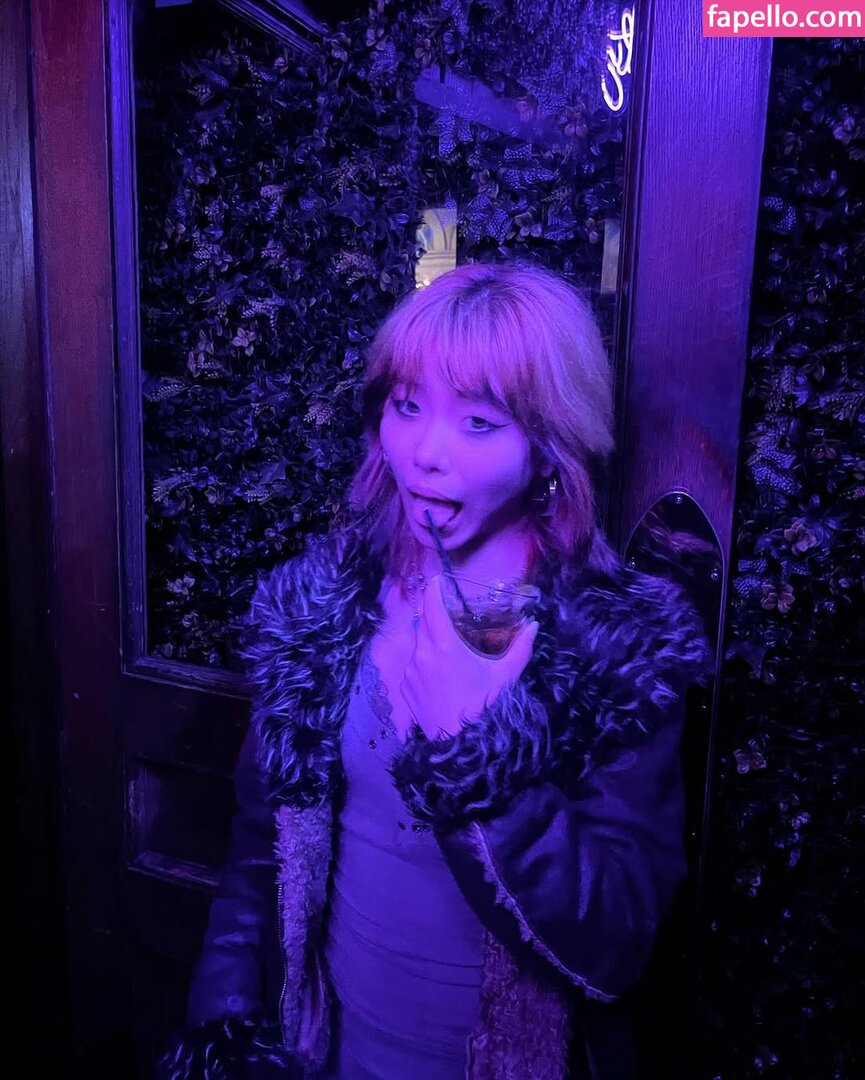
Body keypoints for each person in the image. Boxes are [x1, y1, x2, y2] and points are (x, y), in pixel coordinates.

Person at [160, 262, 711, 1080]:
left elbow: (616, 946)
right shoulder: (325, 605)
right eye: (407, 406)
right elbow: (260, 852)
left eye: (479, 422)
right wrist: (225, 1027)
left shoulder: (615, 651)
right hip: (329, 1057)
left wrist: (470, 756)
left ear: (548, 447)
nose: (424, 453)